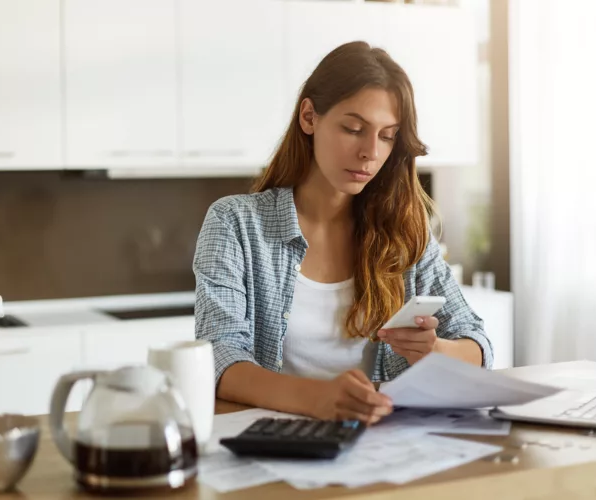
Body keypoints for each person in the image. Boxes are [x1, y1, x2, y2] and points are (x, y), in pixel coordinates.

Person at [193, 41, 493, 425]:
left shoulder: (404, 230)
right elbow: (220, 358)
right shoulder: (235, 223)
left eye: (387, 136)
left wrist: (436, 350)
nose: (370, 151)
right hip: (277, 443)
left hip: (383, 445)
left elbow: (477, 344)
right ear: (309, 117)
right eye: (354, 128)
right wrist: (319, 399)